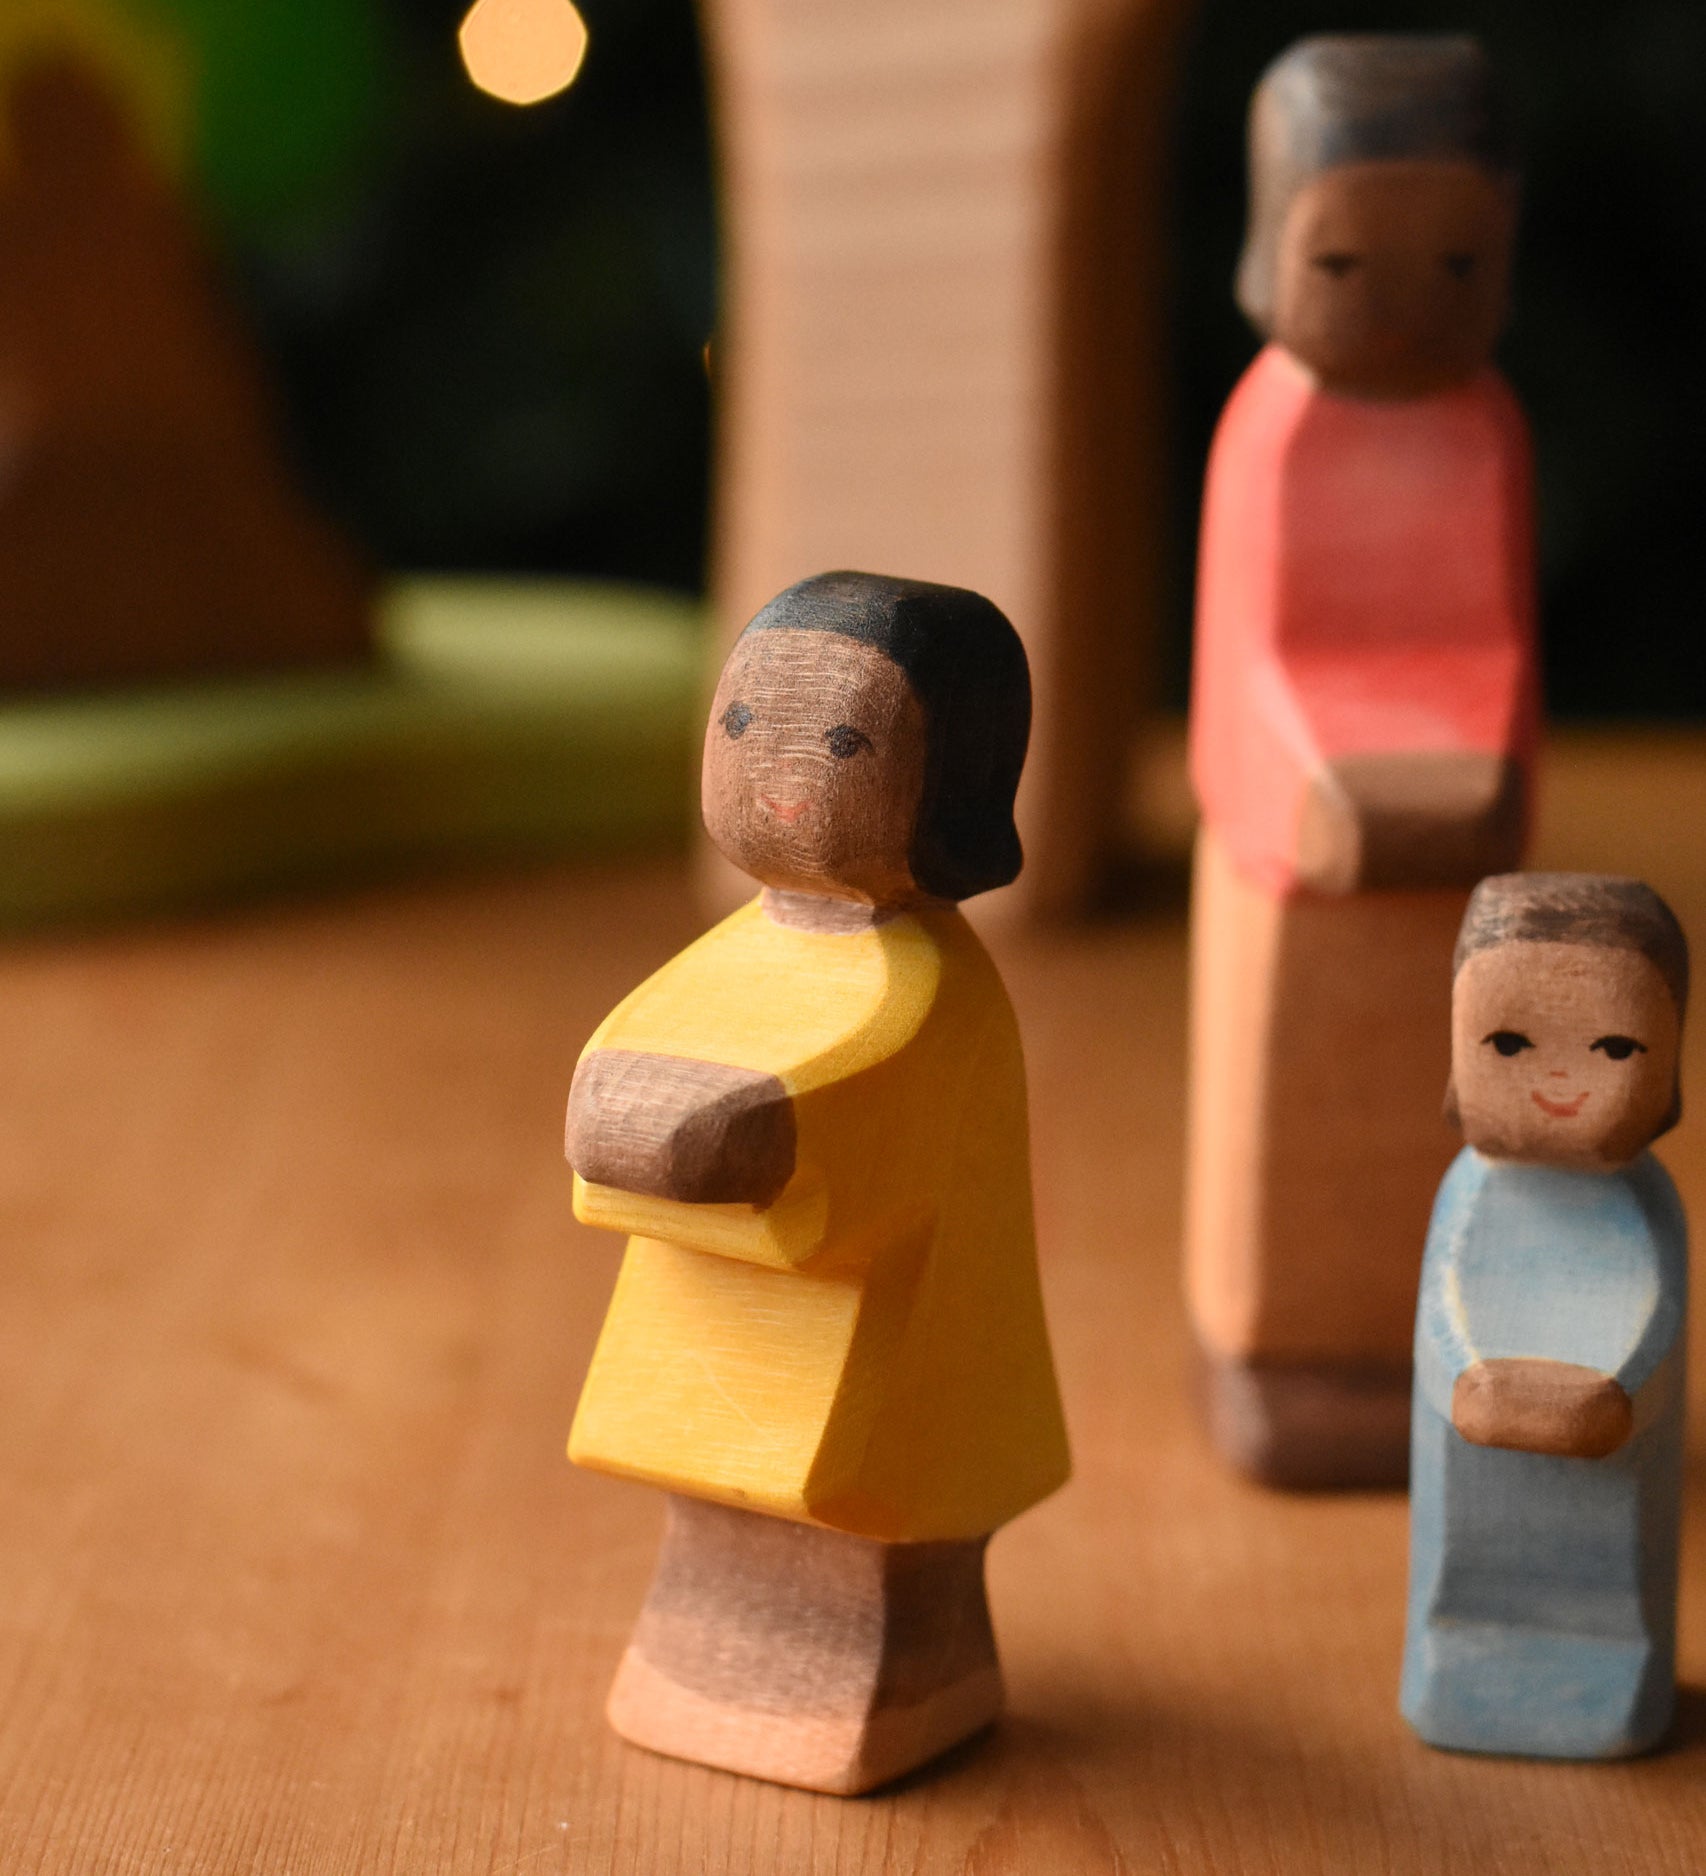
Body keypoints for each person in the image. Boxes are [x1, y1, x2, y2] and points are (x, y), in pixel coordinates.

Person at [564, 569, 1070, 1793]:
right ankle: (702, 1673)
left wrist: (749, 1132)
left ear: (945, 780)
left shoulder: (929, 989)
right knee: (714, 1520)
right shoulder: (738, 947)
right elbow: (625, 1062)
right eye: (741, 723)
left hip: (889, 1345)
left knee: (864, 1544)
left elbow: (863, 1100)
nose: (774, 765)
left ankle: (903, 1691)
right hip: (718, 1332)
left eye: (844, 739)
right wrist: (628, 1112)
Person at [1185, 35, 1539, 1486]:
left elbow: (1498, 637)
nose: (1403, 306)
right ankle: (1277, 1354)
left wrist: (1491, 765)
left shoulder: (1482, 429)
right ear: (1273, 252)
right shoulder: (1275, 430)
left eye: (1455, 269)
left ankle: (1436, 1353)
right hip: (1296, 850)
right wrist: (1320, 790)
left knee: (1452, 1123)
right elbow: (1250, 658)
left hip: (1452, 845)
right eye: (1348, 268)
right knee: (1289, 1156)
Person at [1403, 872, 1689, 1757]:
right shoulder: (1472, 1193)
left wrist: (1616, 1394)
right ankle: (1461, 1673)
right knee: (1467, 1587)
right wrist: (1471, 1382)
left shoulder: (1644, 1205)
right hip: (1477, 1465)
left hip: (1609, 1468)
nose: (1562, 1078)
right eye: (1512, 1042)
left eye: (1614, 1048)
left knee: (1607, 1591)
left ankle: (1605, 1686)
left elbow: (1659, 1325)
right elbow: (1441, 1316)